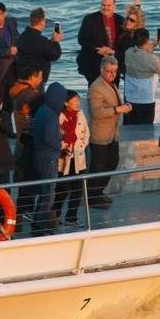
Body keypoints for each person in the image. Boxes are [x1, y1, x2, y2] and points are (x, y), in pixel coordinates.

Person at [87, 56, 132, 208]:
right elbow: (96, 112)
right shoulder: (96, 87)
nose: (112, 74)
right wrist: (118, 109)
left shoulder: (111, 83)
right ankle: (92, 198)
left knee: (112, 162)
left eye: (114, 71)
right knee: (98, 167)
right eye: (108, 71)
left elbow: (113, 102)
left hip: (112, 133)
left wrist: (124, 105)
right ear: (102, 70)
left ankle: (98, 192)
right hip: (100, 134)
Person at [31, 82, 67, 235]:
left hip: (39, 155)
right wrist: (61, 145)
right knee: (49, 192)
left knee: (44, 190)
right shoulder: (51, 115)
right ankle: (41, 224)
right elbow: (49, 138)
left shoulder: (42, 110)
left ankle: (38, 221)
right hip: (48, 157)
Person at [9, 65, 44, 215]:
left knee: (23, 173)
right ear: (32, 77)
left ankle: (24, 210)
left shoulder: (18, 91)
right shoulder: (30, 95)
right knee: (29, 175)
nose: (40, 80)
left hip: (21, 137)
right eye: (39, 77)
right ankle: (25, 210)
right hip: (28, 138)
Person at [52, 90, 90, 226]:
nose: (78, 103)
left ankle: (71, 218)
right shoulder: (59, 117)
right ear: (66, 102)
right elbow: (55, 138)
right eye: (74, 101)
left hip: (78, 157)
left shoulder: (80, 114)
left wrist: (80, 146)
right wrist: (65, 146)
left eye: (78, 100)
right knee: (62, 189)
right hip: (64, 158)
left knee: (77, 189)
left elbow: (86, 133)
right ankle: (54, 215)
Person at [76, 0, 125, 85]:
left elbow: (124, 43)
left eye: (109, 5)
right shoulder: (89, 19)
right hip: (94, 62)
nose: (105, 7)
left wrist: (112, 51)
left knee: (113, 92)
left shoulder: (121, 20)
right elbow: (82, 39)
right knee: (95, 93)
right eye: (103, 5)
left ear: (114, 6)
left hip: (114, 63)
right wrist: (97, 50)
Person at [123, 28, 160, 125]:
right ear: (147, 41)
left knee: (130, 129)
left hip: (130, 98)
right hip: (145, 100)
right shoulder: (150, 59)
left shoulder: (128, 52)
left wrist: (154, 44)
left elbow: (142, 51)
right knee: (144, 132)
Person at [16, 7, 62, 83]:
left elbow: (39, 48)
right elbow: (55, 55)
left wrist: (51, 41)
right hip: (35, 82)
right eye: (45, 21)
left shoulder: (21, 37)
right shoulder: (41, 40)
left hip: (21, 79)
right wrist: (56, 42)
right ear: (41, 22)